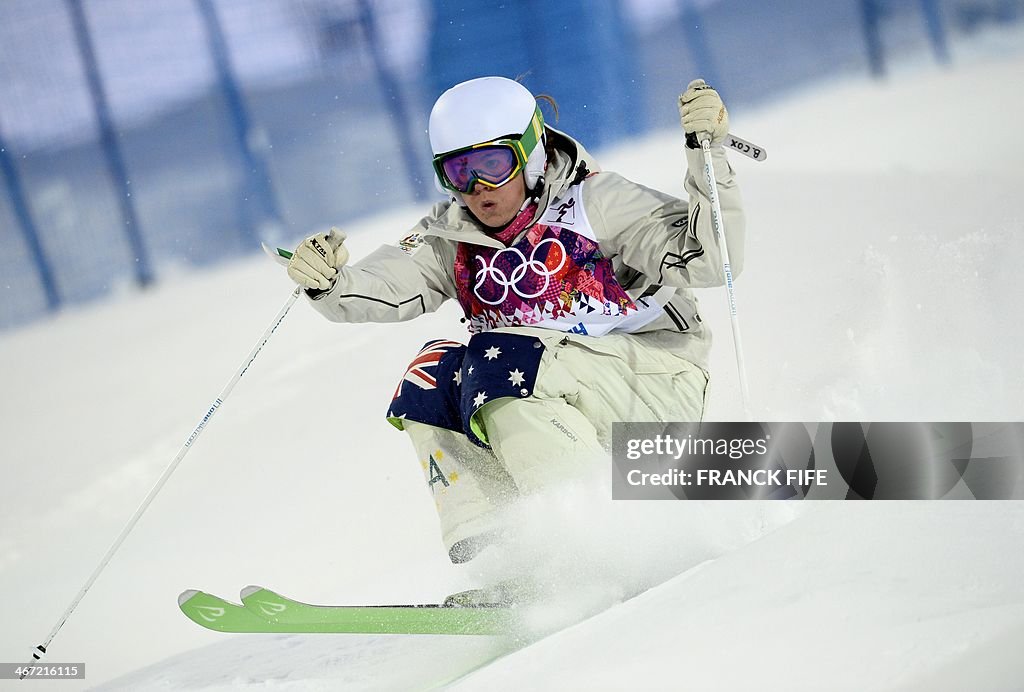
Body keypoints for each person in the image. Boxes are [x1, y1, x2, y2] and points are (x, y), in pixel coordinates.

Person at [287, 75, 744, 569]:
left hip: (652, 389)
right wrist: (329, 282)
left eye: (492, 164)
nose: (477, 189)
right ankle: (512, 555)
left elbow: (711, 258)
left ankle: (600, 537)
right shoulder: (451, 236)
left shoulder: (597, 203)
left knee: (500, 359)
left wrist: (709, 157)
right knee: (432, 375)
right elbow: (384, 285)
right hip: (560, 405)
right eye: (458, 172)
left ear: (530, 154)